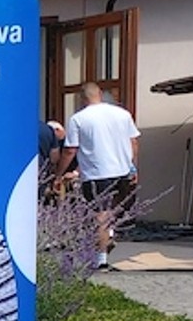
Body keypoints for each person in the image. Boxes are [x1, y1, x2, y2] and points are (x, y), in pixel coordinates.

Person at [56, 81, 140, 269]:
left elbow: (70, 150)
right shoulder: (122, 114)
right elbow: (133, 142)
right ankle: (109, 236)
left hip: (97, 173)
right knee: (114, 211)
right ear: (100, 94)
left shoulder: (79, 118)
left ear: (82, 98)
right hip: (123, 171)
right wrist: (134, 168)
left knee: (100, 215)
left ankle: (101, 258)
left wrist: (59, 174)